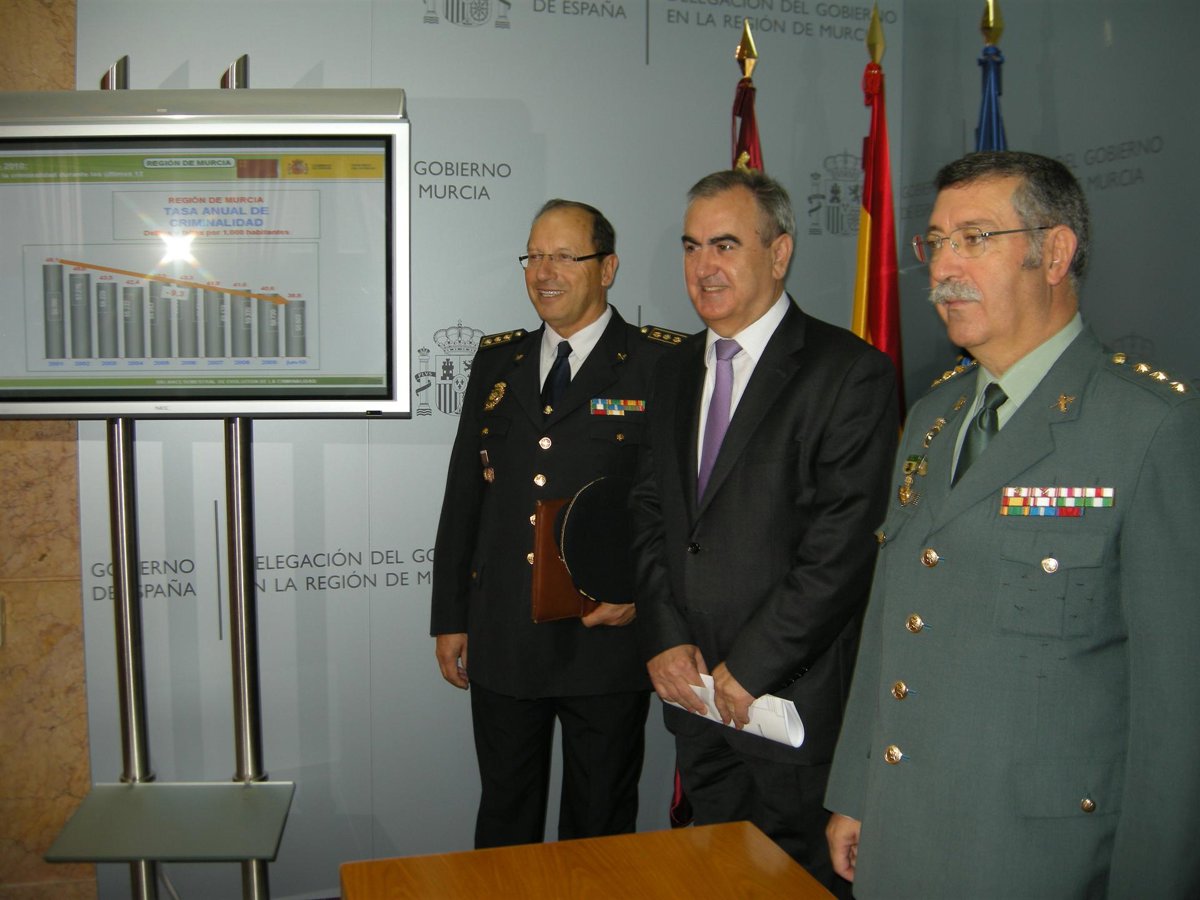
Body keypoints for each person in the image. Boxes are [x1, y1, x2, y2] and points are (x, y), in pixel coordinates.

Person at [825, 150, 1200, 899]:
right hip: (904, 832)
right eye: (936, 242)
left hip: (1037, 855)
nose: (942, 268)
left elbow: (1177, 705)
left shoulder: (1148, 427)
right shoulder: (933, 416)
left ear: (1054, 253)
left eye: (975, 238)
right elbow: (894, 616)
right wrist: (857, 791)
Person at [631, 168, 898, 891]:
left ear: (779, 254)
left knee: (798, 884)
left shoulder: (849, 374)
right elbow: (650, 514)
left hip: (791, 708)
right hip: (695, 701)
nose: (703, 267)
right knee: (716, 879)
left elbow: (842, 550)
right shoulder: (671, 371)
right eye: (691, 247)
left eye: (725, 245)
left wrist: (752, 667)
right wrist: (663, 637)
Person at [430, 198, 684, 849]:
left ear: (608, 268)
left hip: (606, 636)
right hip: (506, 632)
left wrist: (642, 595)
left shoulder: (661, 363)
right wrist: (451, 615)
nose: (544, 272)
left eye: (565, 256)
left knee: (599, 824)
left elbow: (680, 504)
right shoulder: (499, 361)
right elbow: (466, 495)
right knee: (505, 816)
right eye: (535, 256)